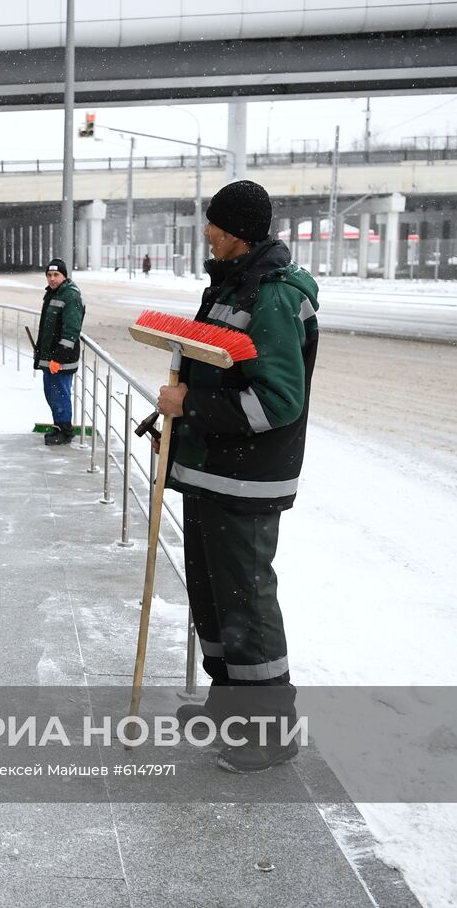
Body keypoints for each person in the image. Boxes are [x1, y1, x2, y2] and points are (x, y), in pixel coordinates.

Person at [155, 179, 319, 774]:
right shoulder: (230, 285)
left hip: (246, 480)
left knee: (246, 608)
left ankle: (270, 734)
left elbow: (278, 399)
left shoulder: (271, 296)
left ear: (236, 231)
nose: (206, 232)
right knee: (215, 603)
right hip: (211, 471)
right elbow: (217, 368)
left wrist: (190, 409)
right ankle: (229, 710)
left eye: (213, 224)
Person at [33, 258, 85, 446]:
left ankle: (65, 431)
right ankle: (58, 426)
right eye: (49, 275)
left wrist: (58, 358)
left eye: (56, 275)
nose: (52, 279)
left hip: (61, 361)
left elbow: (71, 331)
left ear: (64, 276)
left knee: (60, 394)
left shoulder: (70, 296)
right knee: (52, 394)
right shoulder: (54, 293)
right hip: (51, 359)